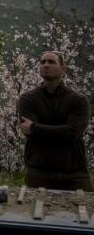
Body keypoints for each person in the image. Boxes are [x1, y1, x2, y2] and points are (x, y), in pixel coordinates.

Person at [17, 51, 92, 191]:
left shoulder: (78, 100)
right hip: (39, 172)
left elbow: (73, 132)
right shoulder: (27, 99)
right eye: (43, 62)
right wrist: (61, 131)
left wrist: (34, 127)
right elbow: (28, 133)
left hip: (74, 173)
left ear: (63, 69)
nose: (46, 65)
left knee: (86, 211)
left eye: (51, 62)